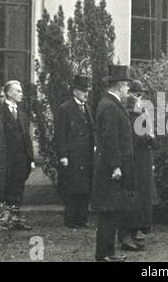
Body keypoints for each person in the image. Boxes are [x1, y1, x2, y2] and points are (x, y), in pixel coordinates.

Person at [90, 65, 143, 262]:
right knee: (108, 211)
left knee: (112, 211)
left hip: (114, 167)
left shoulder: (111, 103)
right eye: (127, 86)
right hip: (111, 169)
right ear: (120, 86)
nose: (128, 90)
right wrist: (116, 166)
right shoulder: (109, 105)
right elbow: (110, 139)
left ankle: (107, 253)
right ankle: (103, 254)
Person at [55, 75, 95, 228]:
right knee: (73, 187)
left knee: (85, 187)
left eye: (87, 91)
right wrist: (63, 155)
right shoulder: (65, 109)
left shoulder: (88, 108)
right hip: (72, 155)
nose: (86, 94)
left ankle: (82, 219)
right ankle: (71, 220)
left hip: (86, 154)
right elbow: (60, 134)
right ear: (75, 91)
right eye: (83, 91)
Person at [123, 80, 159, 240]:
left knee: (144, 195)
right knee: (135, 196)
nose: (140, 98)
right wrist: (149, 137)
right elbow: (140, 137)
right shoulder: (130, 114)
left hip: (144, 158)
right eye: (137, 95)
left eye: (141, 95)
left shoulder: (141, 112)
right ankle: (132, 231)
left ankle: (140, 229)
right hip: (135, 159)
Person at [0, 80, 34, 230]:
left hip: (21, 160)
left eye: (21, 91)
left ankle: (15, 219)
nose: (21, 94)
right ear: (8, 93)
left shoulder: (22, 114)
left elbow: (27, 139)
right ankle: (5, 220)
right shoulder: (0, 112)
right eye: (18, 91)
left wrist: (30, 159)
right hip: (7, 159)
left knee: (18, 189)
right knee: (6, 189)